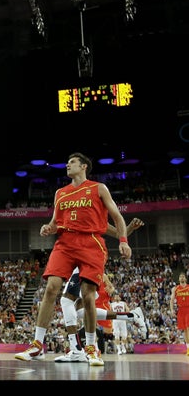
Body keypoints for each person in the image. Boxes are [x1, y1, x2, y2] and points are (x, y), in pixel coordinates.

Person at [14, 152, 131, 366]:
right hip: (65, 243)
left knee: (87, 295)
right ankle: (37, 344)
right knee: (51, 288)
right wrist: (48, 228)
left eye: (72, 162)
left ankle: (91, 347)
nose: (68, 166)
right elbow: (55, 222)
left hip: (91, 243)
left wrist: (123, 240)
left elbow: (117, 216)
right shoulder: (60, 193)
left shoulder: (98, 188)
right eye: (67, 163)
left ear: (84, 166)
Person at [54, 218, 147, 362]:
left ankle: (76, 349)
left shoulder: (92, 215)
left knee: (66, 301)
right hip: (82, 261)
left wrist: (129, 229)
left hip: (88, 259)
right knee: (80, 312)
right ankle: (131, 316)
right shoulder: (71, 213)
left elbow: (118, 233)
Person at [170, 272, 189, 356]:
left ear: (185, 279)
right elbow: (171, 300)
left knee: (188, 328)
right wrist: (171, 310)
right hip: (181, 310)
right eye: (180, 277)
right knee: (185, 330)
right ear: (178, 279)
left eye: (183, 277)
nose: (181, 278)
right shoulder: (175, 289)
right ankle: (188, 348)